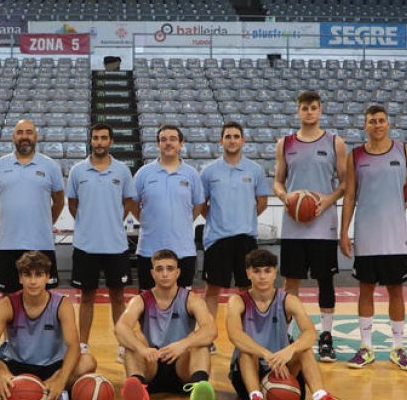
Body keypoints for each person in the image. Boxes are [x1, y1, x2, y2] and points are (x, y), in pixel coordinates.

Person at [340, 104, 407, 371]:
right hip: (366, 233)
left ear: (388, 124)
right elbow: (350, 195)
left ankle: (398, 347)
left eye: (381, 120)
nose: (376, 125)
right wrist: (344, 232)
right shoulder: (355, 156)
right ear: (365, 126)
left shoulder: (404, 151)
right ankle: (366, 347)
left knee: (395, 291)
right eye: (371, 121)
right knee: (365, 289)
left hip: (395, 234)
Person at [225, 248, 350, 400]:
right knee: (246, 352)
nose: (262, 276)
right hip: (249, 371)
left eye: (267, 271)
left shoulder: (288, 300)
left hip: (282, 370)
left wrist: (290, 350)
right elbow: (235, 335)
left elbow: (310, 332)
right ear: (248, 273)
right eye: (257, 271)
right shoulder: (237, 301)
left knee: (304, 349)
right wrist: (266, 354)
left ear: (275, 272)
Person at [272, 90, 348, 362]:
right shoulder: (285, 143)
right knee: (291, 281)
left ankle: (326, 337)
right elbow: (278, 181)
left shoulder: (335, 142)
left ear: (320, 110)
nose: (309, 112)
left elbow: (344, 182)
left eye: (313, 107)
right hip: (293, 225)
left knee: (325, 280)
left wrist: (326, 202)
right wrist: (286, 197)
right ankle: (288, 334)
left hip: (323, 224)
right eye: (304, 108)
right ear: (298, 111)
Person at [0, 251, 96, 400]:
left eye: (38, 275)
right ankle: (40, 395)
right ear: (20, 279)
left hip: (52, 367)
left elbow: (73, 346)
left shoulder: (62, 305)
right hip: (16, 367)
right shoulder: (7, 304)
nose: (33, 281)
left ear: (47, 277)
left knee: (88, 362)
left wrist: (61, 378)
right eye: (27, 275)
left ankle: (17, 395)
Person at [116, 249, 217, 400]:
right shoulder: (141, 299)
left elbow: (211, 329)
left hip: (182, 367)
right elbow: (120, 327)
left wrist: (183, 344)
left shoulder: (191, 299)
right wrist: (142, 349)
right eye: (160, 269)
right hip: (151, 365)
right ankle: (138, 390)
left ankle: (199, 390)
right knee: (133, 338)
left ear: (177, 272)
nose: (165, 274)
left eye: (170, 269)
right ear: (152, 273)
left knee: (200, 341)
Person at [66, 123, 137, 355]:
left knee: (118, 297)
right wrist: (89, 223)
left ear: (111, 141)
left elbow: (128, 201)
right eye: (95, 138)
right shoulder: (78, 170)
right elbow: (73, 204)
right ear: (91, 141)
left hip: (115, 244)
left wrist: (113, 218)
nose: (99, 142)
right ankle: (83, 345)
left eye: (104, 138)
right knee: (86, 297)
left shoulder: (122, 171)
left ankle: (123, 344)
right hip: (86, 245)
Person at [200, 122, 270, 324]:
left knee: (248, 289)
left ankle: (249, 331)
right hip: (217, 239)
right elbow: (201, 204)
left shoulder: (255, 170)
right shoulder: (209, 171)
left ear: (243, 140)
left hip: (246, 240)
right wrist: (218, 219)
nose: (232, 140)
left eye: (236, 136)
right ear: (221, 140)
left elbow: (262, 202)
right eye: (228, 136)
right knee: (212, 289)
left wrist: (244, 218)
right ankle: (207, 335)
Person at [0, 119, 64, 294]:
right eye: (20, 132)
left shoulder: (50, 166)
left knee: (45, 295)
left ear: (36, 136)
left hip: (42, 244)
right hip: (8, 244)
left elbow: (59, 201)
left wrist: (45, 223)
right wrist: (6, 222)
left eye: (29, 132)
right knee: (8, 298)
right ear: (13, 136)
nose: (24, 136)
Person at [132, 125, 205, 290]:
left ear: (181, 144)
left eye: (173, 139)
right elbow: (133, 203)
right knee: (148, 304)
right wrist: (147, 220)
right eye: (163, 139)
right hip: (149, 250)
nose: (168, 143)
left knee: (183, 304)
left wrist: (183, 220)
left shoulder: (192, 174)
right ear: (158, 145)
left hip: (183, 250)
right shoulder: (144, 173)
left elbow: (199, 204)